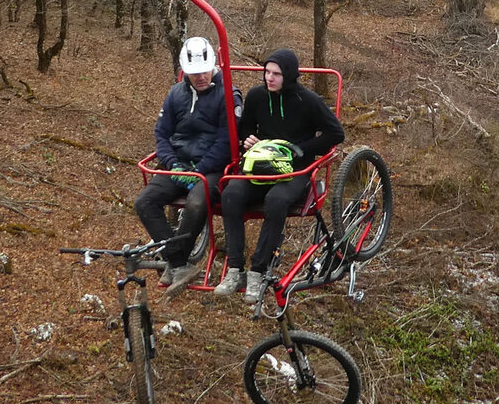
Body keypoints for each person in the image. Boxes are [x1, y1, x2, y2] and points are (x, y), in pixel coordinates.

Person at [214, 48, 345, 303]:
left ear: (289, 76)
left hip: (294, 171)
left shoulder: (307, 101)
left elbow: (335, 134)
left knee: (276, 201)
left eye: (276, 74)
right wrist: (248, 139)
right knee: (231, 194)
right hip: (261, 165)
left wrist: (302, 149)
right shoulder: (257, 96)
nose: (269, 78)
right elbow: (246, 126)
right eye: (266, 73)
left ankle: (258, 271)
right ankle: (235, 269)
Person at [135, 37, 240, 298]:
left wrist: (200, 170)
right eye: (194, 73)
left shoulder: (227, 94)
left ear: (212, 66)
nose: (200, 77)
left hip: (213, 167)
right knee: (145, 202)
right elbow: (162, 133)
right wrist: (172, 165)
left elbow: (227, 140)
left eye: (204, 71)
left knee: (196, 203)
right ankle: (179, 262)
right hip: (179, 163)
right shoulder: (176, 94)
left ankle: (175, 261)